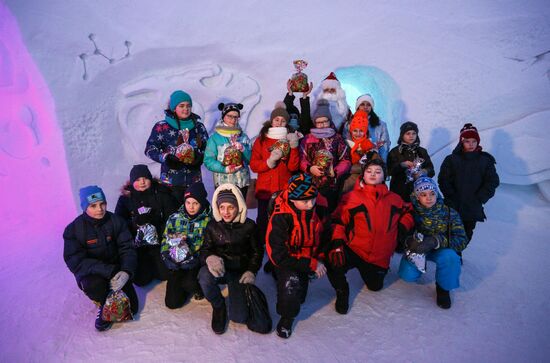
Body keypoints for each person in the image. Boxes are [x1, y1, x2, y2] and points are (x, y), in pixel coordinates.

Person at [327, 159, 414, 314]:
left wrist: (402, 227)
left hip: (379, 256)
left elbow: (409, 211)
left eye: (378, 171)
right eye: (369, 171)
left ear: (384, 176)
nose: (373, 174)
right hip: (355, 249)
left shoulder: (394, 199)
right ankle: (342, 292)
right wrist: (337, 242)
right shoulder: (351, 197)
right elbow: (338, 220)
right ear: (363, 175)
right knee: (333, 261)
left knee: (375, 287)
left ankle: (375, 272)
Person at [63, 185, 138, 331]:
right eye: (93, 205)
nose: (99, 209)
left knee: (132, 308)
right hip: (94, 274)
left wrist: (126, 272)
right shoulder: (74, 229)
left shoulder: (116, 221)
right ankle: (103, 302)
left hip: (117, 271)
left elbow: (128, 248)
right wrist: (109, 271)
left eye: (102, 204)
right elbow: (75, 261)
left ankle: (113, 297)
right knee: (94, 286)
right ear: (84, 207)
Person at [266, 173, 331, 339]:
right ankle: (287, 318)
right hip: (288, 258)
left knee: (300, 298)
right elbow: (279, 255)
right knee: (291, 287)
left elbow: (327, 234)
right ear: (293, 199)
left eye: (312, 199)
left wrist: (321, 257)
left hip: (310, 255)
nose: (310, 205)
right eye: (305, 201)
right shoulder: (281, 216)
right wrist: (311, 264)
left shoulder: (320, 206)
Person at [198, 184, 262, 335]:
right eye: (222, 207)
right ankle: (218, 305)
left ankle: (238, 295)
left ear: (238, 206)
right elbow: (204, 249)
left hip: (239, 271)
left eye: (230, 207)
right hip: (221, 268)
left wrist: (251, 270)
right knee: (203, 277)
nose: (226, 212)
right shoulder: (213, 226)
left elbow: (257, 252)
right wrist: (209, 258)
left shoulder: (249, 226)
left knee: (239, 317)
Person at [398, 177, 467, 309]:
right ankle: (415, 268)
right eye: (423, 194)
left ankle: (443, 288)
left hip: (441, 249)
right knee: (407, 275)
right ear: (417, 196)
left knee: (451, 258)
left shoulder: (449, 213)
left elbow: (461, 239)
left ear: (437, 194)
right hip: (418, 249)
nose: (428, 198)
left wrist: (437, 241)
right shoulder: (410, 211)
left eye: (432, 193)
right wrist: (408, 241)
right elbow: (399, 233)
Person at [250, 104, 300, 258]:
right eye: (276, 119)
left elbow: (293, 166)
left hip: (283, 190)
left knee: (281, 220)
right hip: (265, 189)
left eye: (283, 121)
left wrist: (294, 147)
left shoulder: (289, 138)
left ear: (287, 123)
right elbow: (254, 165)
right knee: (263, 219)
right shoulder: (261, 140)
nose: (279, 123)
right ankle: (260, 247)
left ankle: (279, 248)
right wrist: (269, 162)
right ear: (271, 121)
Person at [115, 164, 178, 287]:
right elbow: (119, 223)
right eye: (137, 180)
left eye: (145, 178)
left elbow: (172, 217)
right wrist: (135, 223)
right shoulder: (125, 199)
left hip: (160, 242)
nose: (142, 182)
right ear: (132, 182)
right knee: (141, 280)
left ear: (151, 179)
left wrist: (156, 225)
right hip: (138, 246)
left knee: (164, 275)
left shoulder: (161, 193)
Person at [438, 123, 500, 248]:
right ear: (462, 142)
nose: (471, 144)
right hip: (453, 204)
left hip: (472, 206)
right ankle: (451, 256)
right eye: (467, 141)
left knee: (466, 233)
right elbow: (443, 179)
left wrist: (480, 197)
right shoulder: (451, 159)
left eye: (474, 141)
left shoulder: (485, 160)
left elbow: (492, 181)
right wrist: (451, 196)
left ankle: (457, 252)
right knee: (449, 231)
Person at [144, 90, 209, 203]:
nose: (186, 109)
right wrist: (166, 158)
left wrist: (200, 157)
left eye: (188, 105)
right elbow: (149, 149)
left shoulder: (199, 127)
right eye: (181, 106)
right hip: (171, 184)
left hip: (194, 183)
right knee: (172, 216)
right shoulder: (162, 127)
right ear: (174, 108)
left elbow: (208, 149)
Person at [161, 182, 212, 309]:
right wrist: (166, 256)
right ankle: (182, 286)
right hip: (177, 261)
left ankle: (197, 287)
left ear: (202, 203)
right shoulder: (174, 218)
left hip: (195, 262)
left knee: (190, 283)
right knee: (172, 303)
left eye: (195, 203)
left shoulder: (208, 221)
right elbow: (165, 239)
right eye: (188, 202)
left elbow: (210, 246)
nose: (191, 207)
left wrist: (198, 260)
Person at [299, 99, 351, 212]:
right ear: (314, 123)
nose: (322, 125)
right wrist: (310, 168)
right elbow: (302, 159)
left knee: (330, 212)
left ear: (330, 121)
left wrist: (335, 172)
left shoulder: (337, 138)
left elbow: (345, 160)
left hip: (331, 184)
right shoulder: (308, 139)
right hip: (311, 184)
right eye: (319, 122)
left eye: (325, 121)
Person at [204, 103, 252, 198]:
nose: (233, 120)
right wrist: (224, 169)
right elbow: (208, 161)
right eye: (229, 116)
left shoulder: (243, 137)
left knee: (240, 211)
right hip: (223, 183)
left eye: (236, 117)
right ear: (223, 117)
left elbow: (251, 159)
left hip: (241, 183)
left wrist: (243, 149)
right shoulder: (215, 138)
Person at [387, 121, 435, 202]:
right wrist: (402, 165)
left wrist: (423, 172)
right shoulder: (394, 152)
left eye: (414, 133)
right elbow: (388, 171)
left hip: (420, 193)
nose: (411, 136)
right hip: (399, 192)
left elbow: (431, 170)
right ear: (402, 135)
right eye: (408, 133)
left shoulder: (422, 151)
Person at [341, 109, 377, 194]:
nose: (358, 134)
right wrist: (363, 168)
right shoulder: (345, 144)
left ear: (365, 132)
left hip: (366, 181)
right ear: (351, 131)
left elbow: (375, 164)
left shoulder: (370, 146)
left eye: (361, 131)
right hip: (348, 181)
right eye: (355, 131)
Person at [352, 94, 391, 161]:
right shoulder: (350, 123)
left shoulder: (381, 125)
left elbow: (385, 144)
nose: (365, 107)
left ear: (371, 107)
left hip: (375, 158)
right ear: (358, 107)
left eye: (368, 105)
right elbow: (347, 141)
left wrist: (381, 162)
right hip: (355, 158)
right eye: (362, 104)